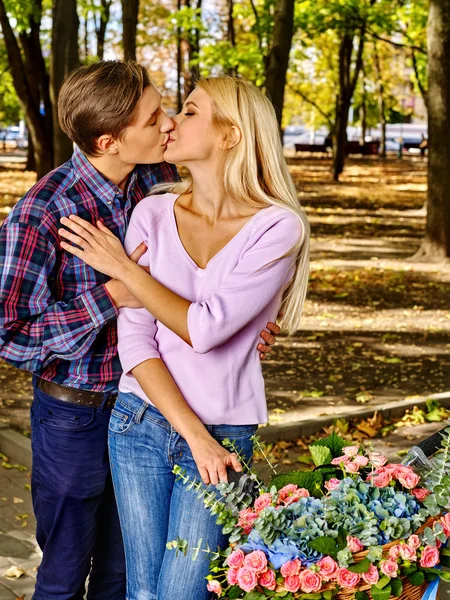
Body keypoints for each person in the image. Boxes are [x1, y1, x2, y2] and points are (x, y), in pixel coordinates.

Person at [0, 62, 278, 600]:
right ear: (110, 140)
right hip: (76, 413)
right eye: (155, 118)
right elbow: (9, 332)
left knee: (124, 574)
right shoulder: (44, 210)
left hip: (150, 410)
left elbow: (206, 285)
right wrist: (109, 298)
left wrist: (246, 327)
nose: (169, 123)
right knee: (62, 574)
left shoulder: (158, 184)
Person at [58, 76, 310, 600]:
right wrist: (193, 434)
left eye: (190, 112)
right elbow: (136, 342)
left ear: (230, 135)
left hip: (224, 433)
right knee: (142, 592)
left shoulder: (277, 227)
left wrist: (125, 272)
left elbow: (205, 328)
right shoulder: (151, 210)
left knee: (183, 593)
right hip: (139, 421)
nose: (172, 121)